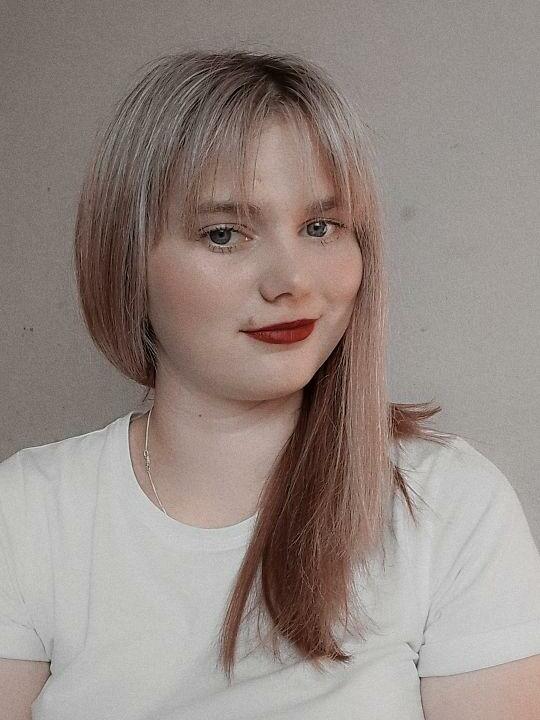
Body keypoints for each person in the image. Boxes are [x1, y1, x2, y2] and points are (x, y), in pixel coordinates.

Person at [1, 49, 539, 720]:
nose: (291, 280)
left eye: (320, 227)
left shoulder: (449, 503)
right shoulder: (27, 514)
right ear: (125, 257)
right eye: (225, 234)